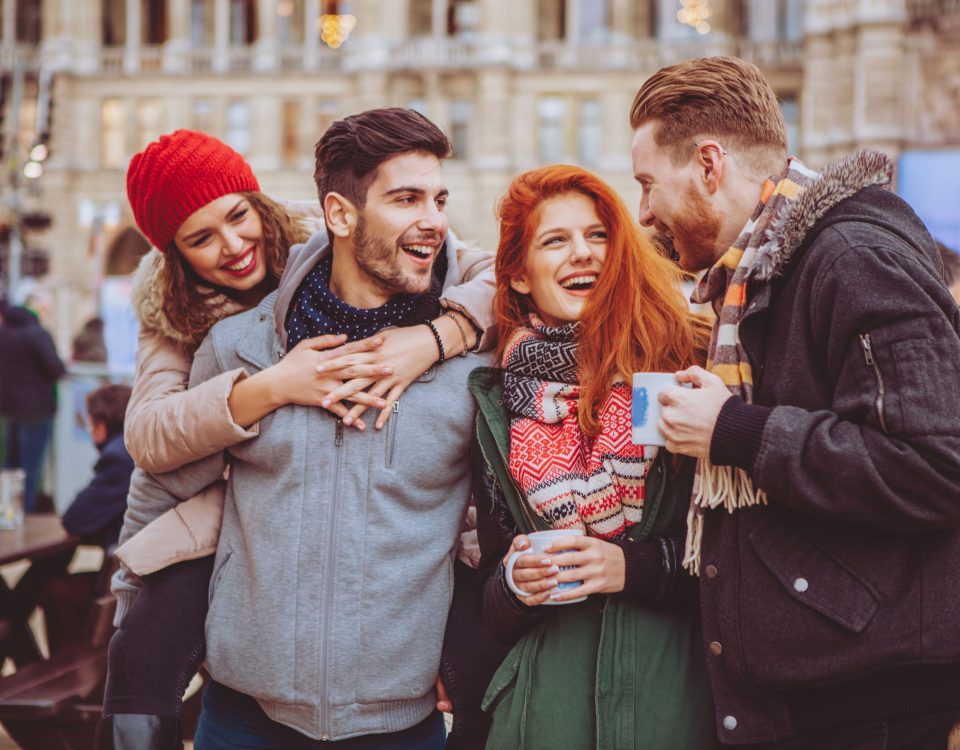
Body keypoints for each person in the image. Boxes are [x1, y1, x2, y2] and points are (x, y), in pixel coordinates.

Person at [98, 126, 496, 749]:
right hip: (246, 708)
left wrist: (436, 338)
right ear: (176, 256)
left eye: (236, 217)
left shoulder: (455, 349)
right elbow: (155, 457)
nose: (232, 245)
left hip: (396, 714)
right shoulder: (194, 329)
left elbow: (508, 275)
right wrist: (137, 632)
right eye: (201, 238)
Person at [629, 56, 960, 748]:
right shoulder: (751, 279)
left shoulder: (850, 257)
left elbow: (937, 463)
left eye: (647, 185)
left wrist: (734, 431)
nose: (643, 213)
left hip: (865, 709)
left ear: (709, 166)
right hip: (804, 698)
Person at [471, 165, 717, 749]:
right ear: (520, 275)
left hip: (675, 708)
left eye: (598, 235)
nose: (582, 254)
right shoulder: (498, 396)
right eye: (555, 240)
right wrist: (513, 584)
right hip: (541, 717)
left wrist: (628, 568)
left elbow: (737, 560)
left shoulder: (683, 362)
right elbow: (488, 595)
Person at [8, 383, 134, 657]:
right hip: (137, 582)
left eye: (90, 423)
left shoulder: (118, 458)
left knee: (55, 590)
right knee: (51, 583)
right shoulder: (132, 448)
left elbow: (76, 518)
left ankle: (61, 670)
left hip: (127, 588)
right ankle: (30, 654)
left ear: (100, 425)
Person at [0, 303, 66, 513]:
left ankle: (7, 512)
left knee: (10, 467)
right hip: (37, 412)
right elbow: (56, 368)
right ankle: (24, 514)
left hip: (10, 411)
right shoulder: (37, 334)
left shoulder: (4, 335)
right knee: (30, 469)